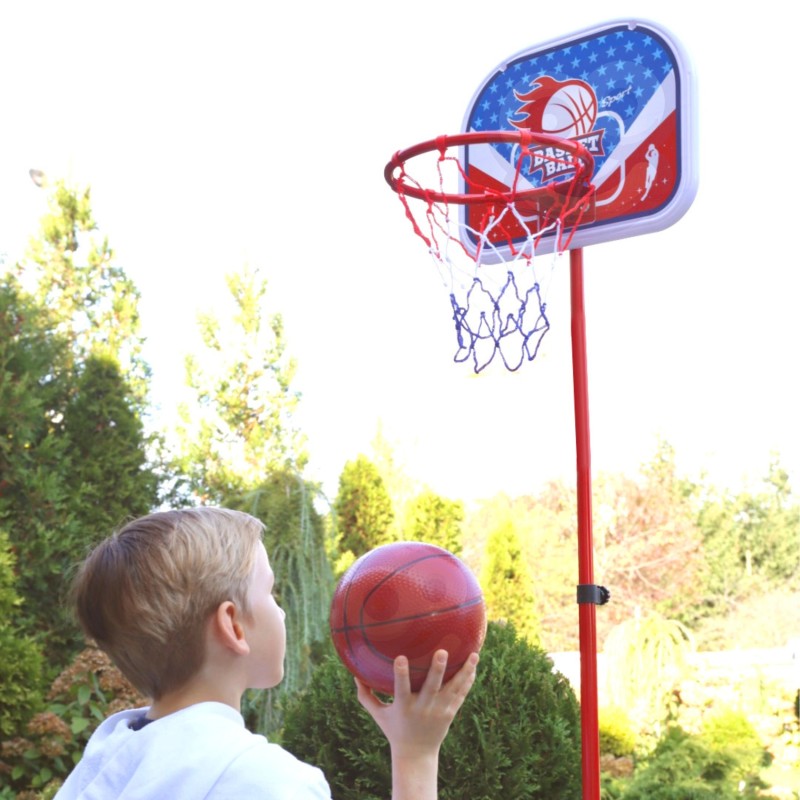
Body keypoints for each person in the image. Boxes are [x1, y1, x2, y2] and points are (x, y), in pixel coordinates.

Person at [55, 507, 479, 800]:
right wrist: (416, 755)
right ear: (234, 626)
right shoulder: (267, 782)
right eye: (271, 592)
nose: (281, 609)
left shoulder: (104, 760)